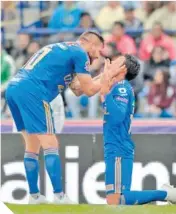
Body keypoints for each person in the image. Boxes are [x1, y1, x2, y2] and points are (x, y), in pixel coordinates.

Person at [5, 31, 125, 204]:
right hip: (33, 91)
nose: (98, 55)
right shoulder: (80, 53)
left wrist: (104, 77)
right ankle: (59, 196)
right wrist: (108, 77)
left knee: (32, 145)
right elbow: (90, 91)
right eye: (99, 50)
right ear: (90, 44)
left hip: (15, 88)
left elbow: (77, 90)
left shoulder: (64, 50)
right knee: (50, 143)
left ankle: (34, 196)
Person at [100, 54, 176, 206]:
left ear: (123, 69)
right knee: (119, 201)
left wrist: (105, 93)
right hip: (118, 146)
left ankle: (165, 194)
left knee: (115, 200)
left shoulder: (121, 88)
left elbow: (119, 115)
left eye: (117, 61)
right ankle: (166, 194)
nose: (112, 62)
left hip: (118, 148)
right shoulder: (118, 86)